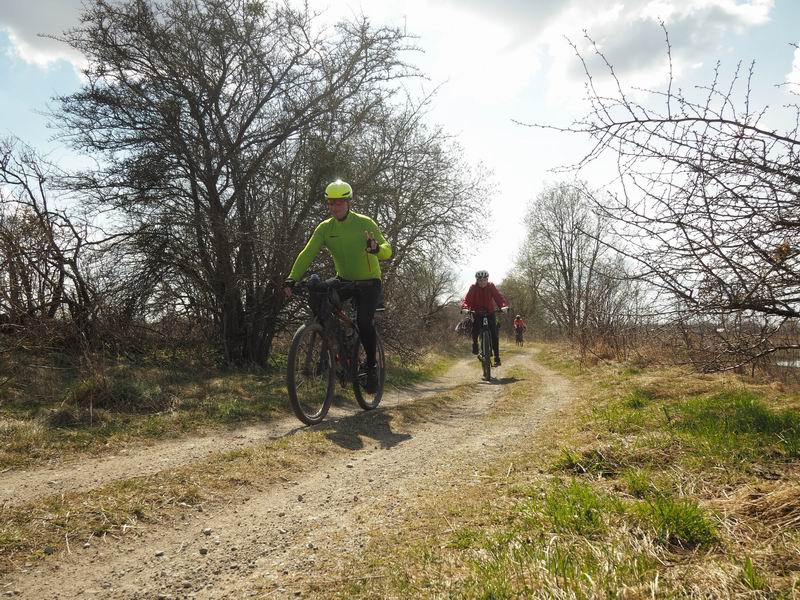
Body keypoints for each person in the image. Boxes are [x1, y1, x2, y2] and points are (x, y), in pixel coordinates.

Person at [283, 180, 392, 392]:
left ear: (348, 202)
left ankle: (371, 366)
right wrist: (292, 278)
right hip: (344, 280)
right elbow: (307, 253)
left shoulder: (364, 223)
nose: (334, 207)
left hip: (369, 283)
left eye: (339, 202)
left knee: (364, 322)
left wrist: (377, 249)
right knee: (318, 295)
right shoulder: (325, 228)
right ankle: (336, 342)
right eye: (331, 202)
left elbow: (388, 249)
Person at [460, 270, 509, 367]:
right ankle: (475, 344)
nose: (482, 282)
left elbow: (498, 297)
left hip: (490, 312)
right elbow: (467, 299)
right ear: (477, 280)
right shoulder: (473, 288)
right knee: (475, 329)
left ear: (487, 279)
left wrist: (503, 306)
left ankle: (497, 358)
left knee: (494, 334)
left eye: (484, 280)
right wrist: (465, 307)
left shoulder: (491, 286)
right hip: (477, 312)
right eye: (480, 280)